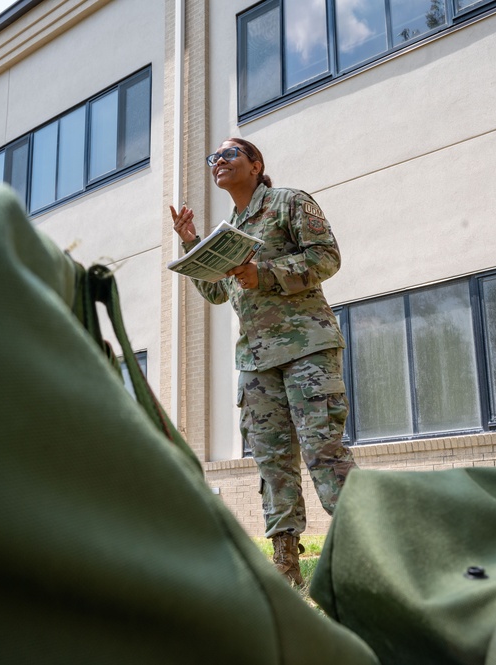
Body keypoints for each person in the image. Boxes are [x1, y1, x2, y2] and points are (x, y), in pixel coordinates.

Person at [170, 138, 358, 585]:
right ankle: (286, 567)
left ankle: (370, 545)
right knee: (273, 463)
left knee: (322, 451)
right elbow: (218, 292)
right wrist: (193, 244)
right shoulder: (228, 231)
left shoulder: (288, 203)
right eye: (214, 158)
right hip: (256, 362)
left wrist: (266, 274)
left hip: (306, 347)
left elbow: (327, 257)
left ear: (256, 165)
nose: (219, 161)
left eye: (229, 154)